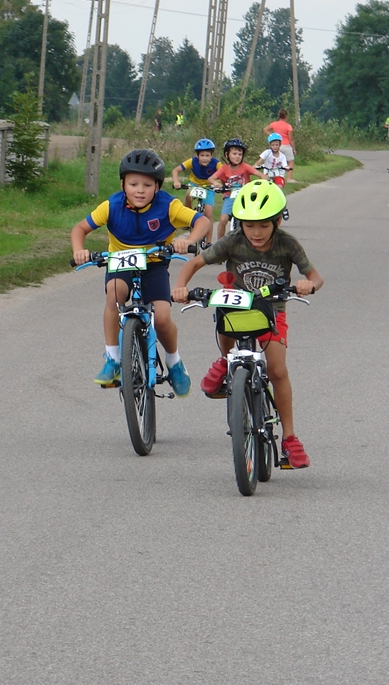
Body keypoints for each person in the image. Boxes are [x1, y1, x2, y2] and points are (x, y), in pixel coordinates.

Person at [171, 181, 324, 469]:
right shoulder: (233, 241)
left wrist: (307, 285)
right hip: (238, 308)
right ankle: (225, 362)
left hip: (271, 312)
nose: (255, 232)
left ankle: (290, 439)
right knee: (221, 309)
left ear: (278, 221)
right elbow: (193, 264)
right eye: (249, 225)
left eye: (263, 225)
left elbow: (316, 276)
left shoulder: (287, 244)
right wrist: (181, 287)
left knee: (277, 370)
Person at [71, 149, 212, 394]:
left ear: (157, 187)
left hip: (154, 263)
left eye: (147, 184)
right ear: (122, 184)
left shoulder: (169, 205)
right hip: (120, 261)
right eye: (133, 183)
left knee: (163, 318)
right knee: (114, 296)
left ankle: (174, 362)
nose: (139, 190)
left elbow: (203, 221)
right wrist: (79, 250)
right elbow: (79, 229)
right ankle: (113, 358)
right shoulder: (111, 206)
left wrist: (189, 238)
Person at [203, 138, 267, 244]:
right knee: (223, 219)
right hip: (230, 196)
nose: (237, 156)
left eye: (240, 154)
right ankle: (220, 245)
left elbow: (260, 175)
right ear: (227, 154)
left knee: (252, 219)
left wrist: (264, 181)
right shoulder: (224, 168)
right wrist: (216, 183)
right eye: (234, 153)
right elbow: (211, 178)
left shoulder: (245, 167)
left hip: (245, 197)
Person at [172, 138, 220, 211]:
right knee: (188, 195)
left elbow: (225, 173)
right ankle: (190, 214)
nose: (204, 158)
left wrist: (221, 184)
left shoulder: (216, 163)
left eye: (207, 155)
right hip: (195, 184)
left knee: (208, 212)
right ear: (197, 156)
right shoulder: (192, 161)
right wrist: (176, 182)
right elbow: (175, 170)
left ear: (211, 155)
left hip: (209, 186)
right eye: (202, 155)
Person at [264, 109, 296, 181]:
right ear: (286, 116)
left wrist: (273, 136)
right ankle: (289, 178)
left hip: (277, 144)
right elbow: (291, 139)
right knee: (290, 161)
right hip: (286, 145)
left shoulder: (274, 124)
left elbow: (265, 129)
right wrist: (294, 148)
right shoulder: (288, 126)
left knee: (275, 161)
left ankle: (272, 176)